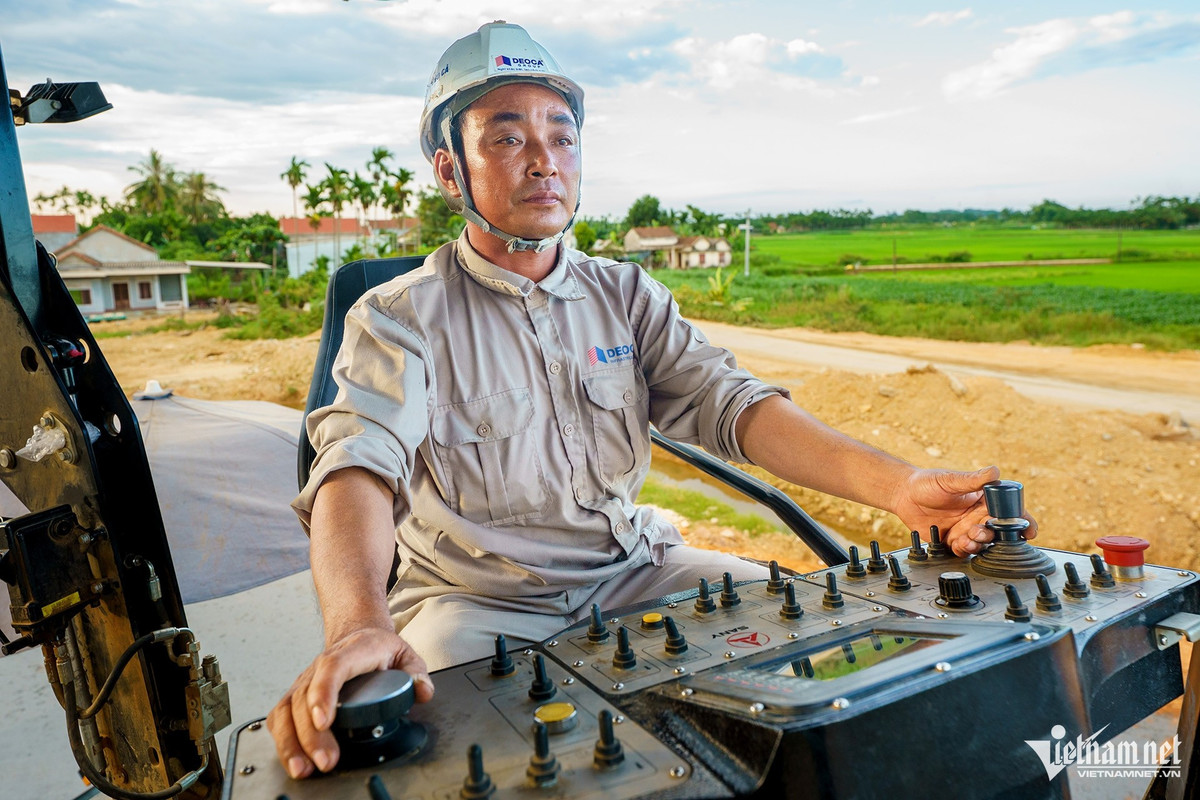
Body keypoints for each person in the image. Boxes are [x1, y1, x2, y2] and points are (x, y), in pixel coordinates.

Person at [267, 21, 1036, 779]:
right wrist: (358, 625)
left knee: (816, 658)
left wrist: (898, 488)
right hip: (477, 601)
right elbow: (358, 464)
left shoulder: (626, 293)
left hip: (639, 569)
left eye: (561, 137)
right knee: (443, 744)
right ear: (449, 171)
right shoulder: (399, 316)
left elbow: (732, 406)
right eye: (506, 137)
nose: (543, 161)